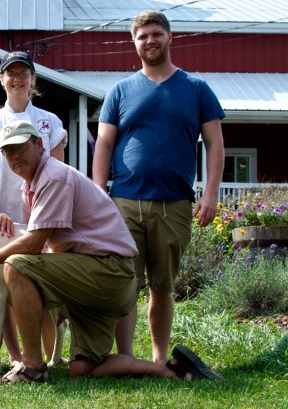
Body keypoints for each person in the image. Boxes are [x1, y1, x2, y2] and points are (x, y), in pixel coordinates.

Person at [0, 120, 221, 383]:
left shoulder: (53, 177)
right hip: (93, 275)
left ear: (39, 144)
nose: (14, 156)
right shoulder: (31, 186)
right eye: (8, 152)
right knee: (83, 368)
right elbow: (37, 241)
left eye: (20, 147)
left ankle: (31, 367)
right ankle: (175, 370)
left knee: (17, 266)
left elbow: (32, 243)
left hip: (107, 271)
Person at [92, 10, 225, 364]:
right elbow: (104, 144)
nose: (149, 40)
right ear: (133, 43)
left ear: (169, 37)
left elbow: (215, 143)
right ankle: (126, 357)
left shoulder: (196, 89)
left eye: (156, 34)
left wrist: (210, 193)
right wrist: (97, 192)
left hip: (175, 204)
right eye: (142, 36)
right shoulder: (120, 91)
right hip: (123, 202)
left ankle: (158, 358)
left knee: (162, 287)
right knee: (124, 286)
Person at [0, 51, 68, 364]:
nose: (17, 79)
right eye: (10, 73)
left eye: (23, 73)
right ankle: (15, 358)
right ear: (1, 79)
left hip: (39, 219)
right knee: (4, 290)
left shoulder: (49, 122)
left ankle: (50, 356)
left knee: (40, 289)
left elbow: (60, 172)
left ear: (33, 80)